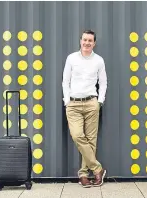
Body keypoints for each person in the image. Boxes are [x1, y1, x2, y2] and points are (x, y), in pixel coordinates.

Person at [62, 30, 108, 188]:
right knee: (77, 136)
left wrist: (99, 101)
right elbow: (65, 81)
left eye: (90, 40)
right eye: (85, 40)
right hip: (73, 104)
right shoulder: (71, 58)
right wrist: (67, 101)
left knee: (90, 140)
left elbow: (103, 83)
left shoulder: (99, 60)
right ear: (80, 41)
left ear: (94, 43)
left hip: (91, 104)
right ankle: (98, 169)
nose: (87, 43)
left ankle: (83, 174)